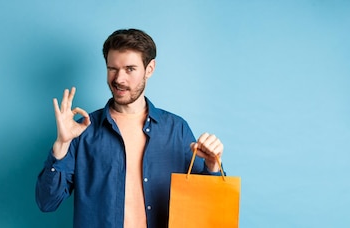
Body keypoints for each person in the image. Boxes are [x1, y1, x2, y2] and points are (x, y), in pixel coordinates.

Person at [35, 28, 225, 228]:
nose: (119, 79)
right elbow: (47, 202)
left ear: (149, 69)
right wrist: (61, 145)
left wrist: (212, 166)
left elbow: (206, 209)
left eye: (130, 69)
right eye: (112, 69)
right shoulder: (83, 131)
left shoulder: (176, 129)